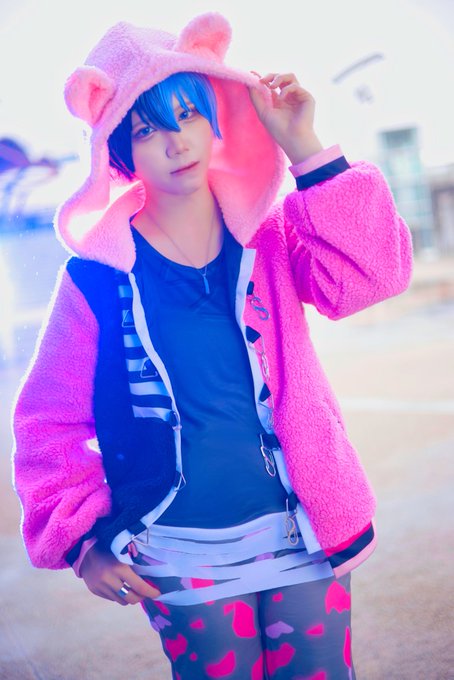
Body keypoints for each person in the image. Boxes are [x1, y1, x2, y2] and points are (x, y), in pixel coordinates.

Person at [12, 12, 413, 679]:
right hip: (177, 550)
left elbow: (370, 279)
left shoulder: (270, 237)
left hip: (304, 531)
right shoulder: (96, 278)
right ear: (118, 152)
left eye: (188, 114)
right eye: (147, 130)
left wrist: (306, 147)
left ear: (215, 118)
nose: (176, 142)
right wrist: (82, 543)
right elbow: (46, 421)